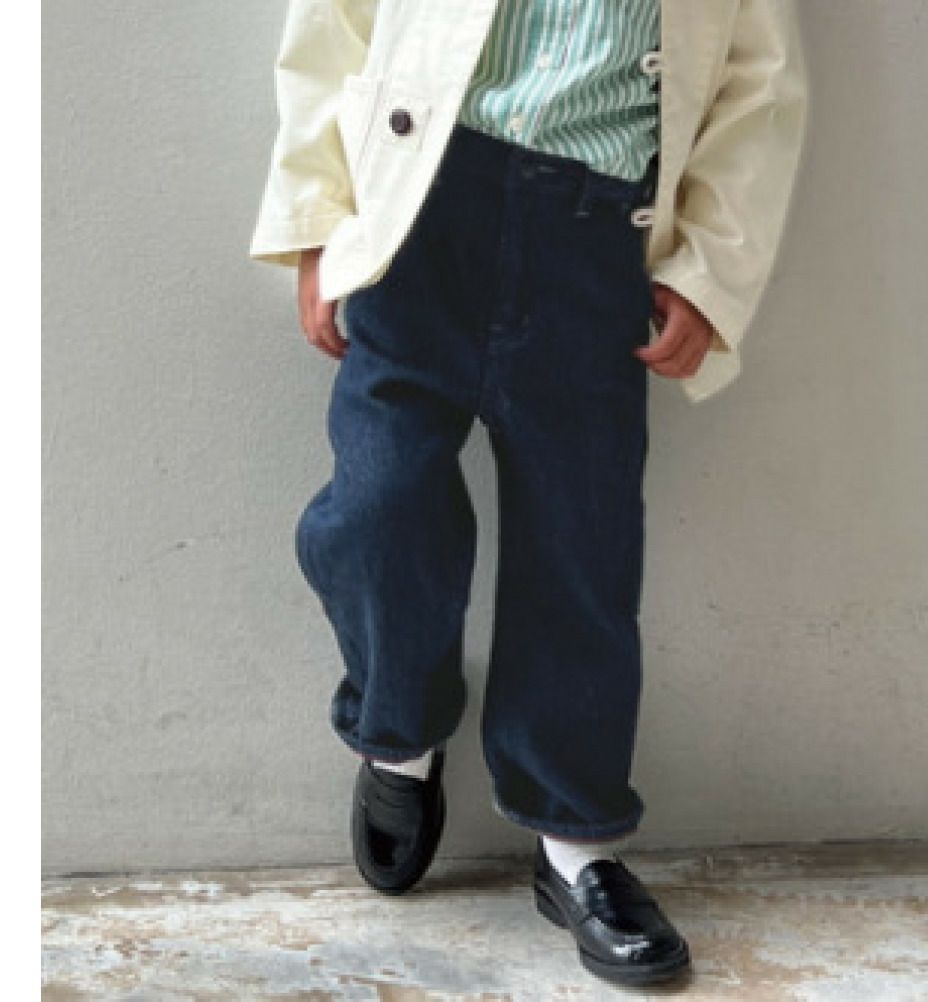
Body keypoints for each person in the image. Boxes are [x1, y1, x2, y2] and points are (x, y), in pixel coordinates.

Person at [250, 0, 808, 987]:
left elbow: (757, 83)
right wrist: (315, 219)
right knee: (379, 509)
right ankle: (399, 729)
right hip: (419, 211)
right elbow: (335, 23)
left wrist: (709, 272)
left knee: (580, 551)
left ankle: (575, 844)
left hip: (593, 237)